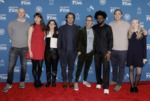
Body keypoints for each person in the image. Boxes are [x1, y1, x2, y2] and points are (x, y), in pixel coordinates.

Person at [2, 8, 30, 92]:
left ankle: (22, 81)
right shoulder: (11, 23)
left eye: (23, 12)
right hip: (14, 48)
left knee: (24, 67)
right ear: (17, 13)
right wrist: (16, 41)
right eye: (19, 12)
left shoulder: (28, 24)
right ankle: (9, 83)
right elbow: (10, 35)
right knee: (10, 67)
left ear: (25, 13)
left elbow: (29, 36)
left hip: (25, 48)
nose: (21, 14)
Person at [109, 9, 130, 92]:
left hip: (123, 50)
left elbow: (136, 29)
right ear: (114, 15)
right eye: (115, 14)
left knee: (121, 68)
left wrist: (144, 31)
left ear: (121, 15)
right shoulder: (110, 24)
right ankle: (114, 80)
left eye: (119, 14)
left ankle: (119, 84)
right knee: (114, 67)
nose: (117, 15)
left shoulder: (127, 24)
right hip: (113, 50)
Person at [93, 10, 113, 94]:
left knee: (106, 69)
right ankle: (98, 82)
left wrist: (109, 51)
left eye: (101, 18)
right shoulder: (94, 27)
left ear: (104, 18)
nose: (99, 19)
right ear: (96, 19)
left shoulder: (108, 27)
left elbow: (111, 40)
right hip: (96, 52)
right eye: (98, 18)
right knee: (97, 68)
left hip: (105, 53)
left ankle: (106, 86)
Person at [58, 12, 80, 88]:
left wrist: (77, 50)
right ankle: (64, 80)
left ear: (74, 19)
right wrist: (59, 51)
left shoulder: (77, 28)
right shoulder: (61, 28)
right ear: (66, 18)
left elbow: (79, 41)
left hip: (73, 52)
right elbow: (59, 41)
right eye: (69, 17)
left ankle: (70, 80)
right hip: (63, 52)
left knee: (71, 67)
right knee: (63, 67)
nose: (70, 19)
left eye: (72, 17)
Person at [74, 15, 95, 91]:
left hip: (90, 53)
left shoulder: (94, 31)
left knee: (87, 68)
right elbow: (77, 41)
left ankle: (85, 81)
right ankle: (76, 82)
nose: (89, 22)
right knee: (79, 68)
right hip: (82, 53)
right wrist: (78, 51)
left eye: (90, 20)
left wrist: (93, 50)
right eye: (87, 20)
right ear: (85, 21)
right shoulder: (81, 30)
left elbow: (95, 42)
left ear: (92, 22)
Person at [126, 19, 147, 93]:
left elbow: (144, 46)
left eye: (136, 22)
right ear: (132, 24)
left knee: (138, 73)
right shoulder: (129, 32)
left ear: (138, 23)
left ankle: (136, 85)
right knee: (131, 70)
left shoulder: (142, 33)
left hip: (139, 55)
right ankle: (132, 86)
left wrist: (144, 57)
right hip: (130, 54)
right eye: (133, 23)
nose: (135, 24)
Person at [26, 13, 45, 88]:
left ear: (40, 18)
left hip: (41, 48)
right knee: (34, 66)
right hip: (33, 48)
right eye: (35, 18)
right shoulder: (32, 27)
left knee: (40, 66)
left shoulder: (44, 27)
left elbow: (45, 39)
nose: (36, 19)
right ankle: (35, 81)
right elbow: (29, 40)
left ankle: (38, 80)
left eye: (38, 17)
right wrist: (30, 51)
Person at [44, 20, 59, 87]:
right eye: (50, 23)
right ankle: (48, 81)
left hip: (55, 52)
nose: (52, 25)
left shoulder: (58, 33)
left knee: (54, 67)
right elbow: (43, 43)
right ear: (48, 25)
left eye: (53, 24)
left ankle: (53, 81)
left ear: (55, 25)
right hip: (47, 52)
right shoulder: (45, 33)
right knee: (48, 67)